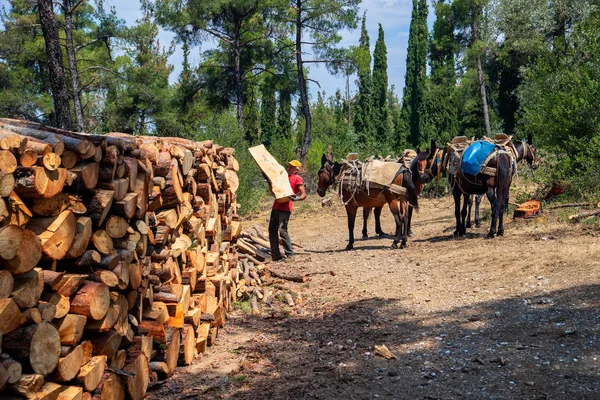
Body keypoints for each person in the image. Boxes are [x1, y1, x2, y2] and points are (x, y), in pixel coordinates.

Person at [269, 160, 306, 261]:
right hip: (276, 206)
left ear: (296, 169)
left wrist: (297, 198)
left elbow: (303, 195)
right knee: (272, 230)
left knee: (282, 231)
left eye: (291, 167)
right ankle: (275, 255)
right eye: (288, 166)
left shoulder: (297, 178)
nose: (288, 168)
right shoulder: (283, 177)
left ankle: (290, 255)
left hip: (285, 208)